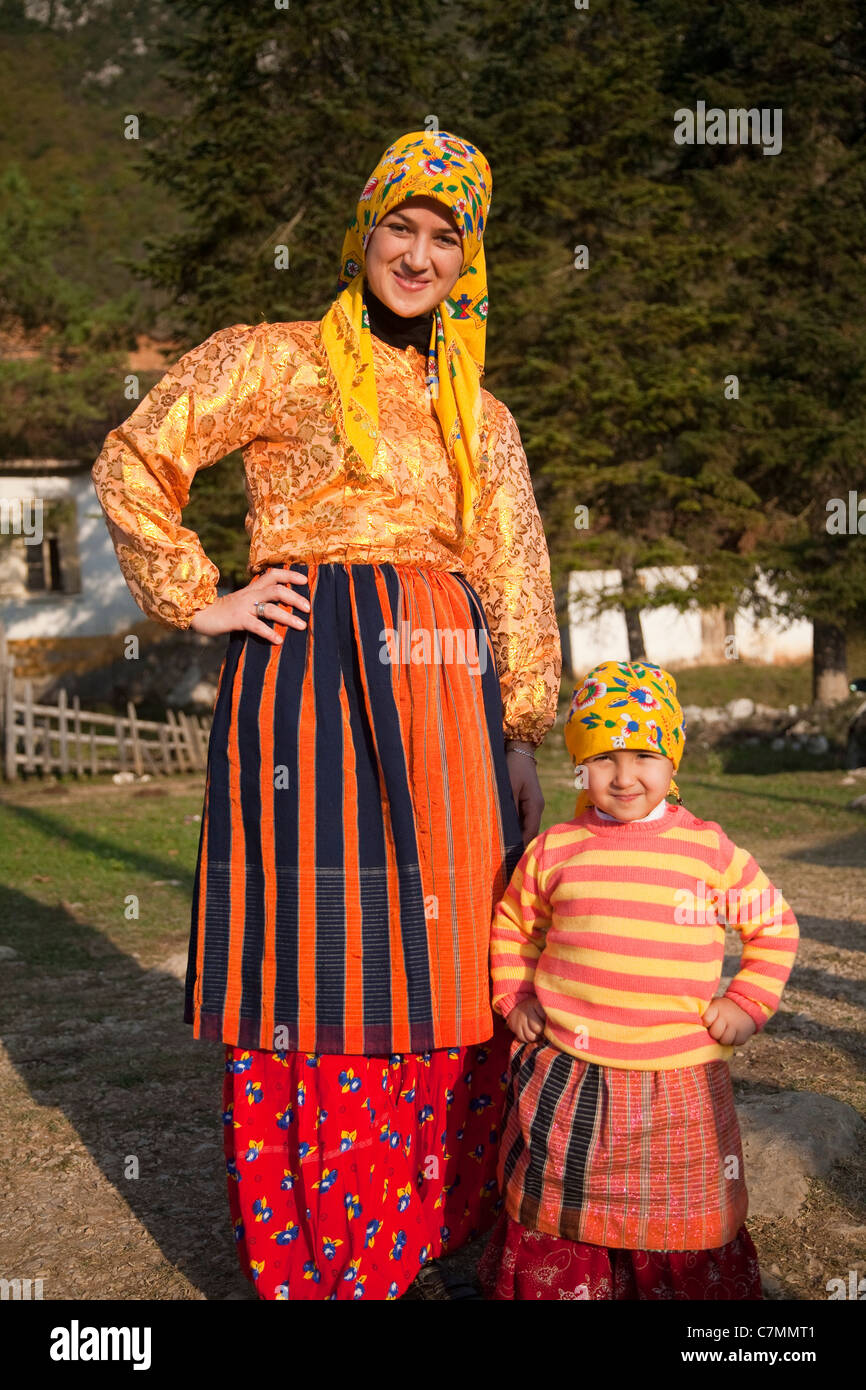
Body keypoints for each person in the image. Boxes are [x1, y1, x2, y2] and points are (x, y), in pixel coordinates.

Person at [90, 129, 561, 1301]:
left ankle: (425, 1222)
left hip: (449, 685)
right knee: (323, 951)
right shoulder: (273, 357)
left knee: (450, 951)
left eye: (442, 238)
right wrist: (202, 600)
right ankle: (328, 1248)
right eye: (397, 227)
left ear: (468, 261)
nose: (416, 254)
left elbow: (515, 568)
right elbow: (136, 455)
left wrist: (522, 721)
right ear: (362, 234)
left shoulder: (480, 416)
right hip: (309, 683)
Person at [479, 659, 799, 1301]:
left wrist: (745, 1001)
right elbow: (512, 927)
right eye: (603, 758)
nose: (625, 777)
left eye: (644, 755)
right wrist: (513, 995)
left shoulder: (707, 850)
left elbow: (774, 926)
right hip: (570, 1072)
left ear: (673, 761)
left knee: (681, 1210)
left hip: (678, 1080)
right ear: (580, 764)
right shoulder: (556, 850)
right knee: (563, 1200)